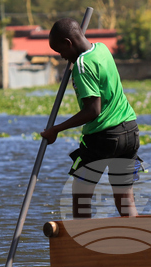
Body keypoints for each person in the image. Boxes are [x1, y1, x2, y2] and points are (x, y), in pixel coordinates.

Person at [41, 18, 140, 219]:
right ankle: (141, 245)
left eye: (60, 51)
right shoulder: (102, 49)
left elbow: (93, 110)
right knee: (124, 198)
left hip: (103, 139)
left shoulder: (82, 66)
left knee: (81, 196)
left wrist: (56, 129)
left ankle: (82, 245)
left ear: (69, 43)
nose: (61, 57)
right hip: (130, 131)